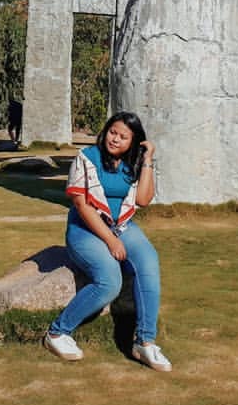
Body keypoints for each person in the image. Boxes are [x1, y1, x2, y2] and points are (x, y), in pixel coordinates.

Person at [43, 111, 171, 371]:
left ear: (133, 142)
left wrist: (147, 160)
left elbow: (143, 200)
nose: (115, 139)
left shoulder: (131, 163)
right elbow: (81, 204)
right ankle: (57, 333)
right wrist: (111, 241)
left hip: (122, 226)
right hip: (85, 228)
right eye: (113, 132)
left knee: (149, 264)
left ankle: (144, 342)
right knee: (110, 281)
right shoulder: (86, 158)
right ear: (106, 131)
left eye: (124, 137)